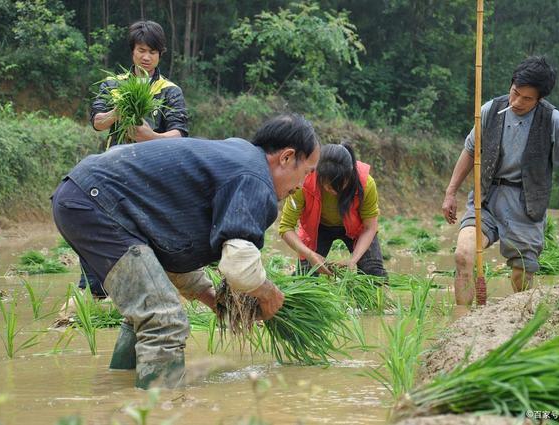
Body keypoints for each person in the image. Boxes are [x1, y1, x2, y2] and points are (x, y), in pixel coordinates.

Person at [52, 114, 320, 389]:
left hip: (85, 197)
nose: (301, 186)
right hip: (98, 203)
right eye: (308, 171)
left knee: (146, 313)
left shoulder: (236, 160)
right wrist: (269, 294)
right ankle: (160, 411)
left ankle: (118, 391)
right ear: (287, 157)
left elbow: (170, 249)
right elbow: (240, 266)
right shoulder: (254, 177)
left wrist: (211, 299)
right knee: (163, 320)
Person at [441, 56, 559, 306]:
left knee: (521, 276)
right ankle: (462, 325)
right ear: (511, 85)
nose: (517, 102)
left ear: (540, 99)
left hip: (526, 204)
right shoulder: (490, 110)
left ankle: (520, 325)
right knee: (463, 255)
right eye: (515, 93)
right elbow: (470, 151)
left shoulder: (554, 121)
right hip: (487, 199)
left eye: (527, 99)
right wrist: (450, 192)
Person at [81, 20, 189, 298]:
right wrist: (119, 110)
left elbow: (179, 134)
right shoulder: (113, 85)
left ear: (160, 55)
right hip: (111, 172)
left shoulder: (169, 90)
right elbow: (97, 122)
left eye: (152, 52)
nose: (146, 57)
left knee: (146, 233)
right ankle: (94, 293)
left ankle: (150, 293)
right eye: (141, 50)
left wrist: (149, 136)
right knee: (97, 226)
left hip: (152, 176)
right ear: (132, 51)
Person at [279, 143, 387, 279]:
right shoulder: (303, 183)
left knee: (373, 272)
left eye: (341, 186)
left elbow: (369, 227)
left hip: (357, 229)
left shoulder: (365, 184)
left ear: (351, 173)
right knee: (306, 276)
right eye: (329, 187)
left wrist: (352, 261)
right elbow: (286, 227)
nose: (335, 192)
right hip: (319, 228)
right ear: (318, 174)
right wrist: (310, 255)